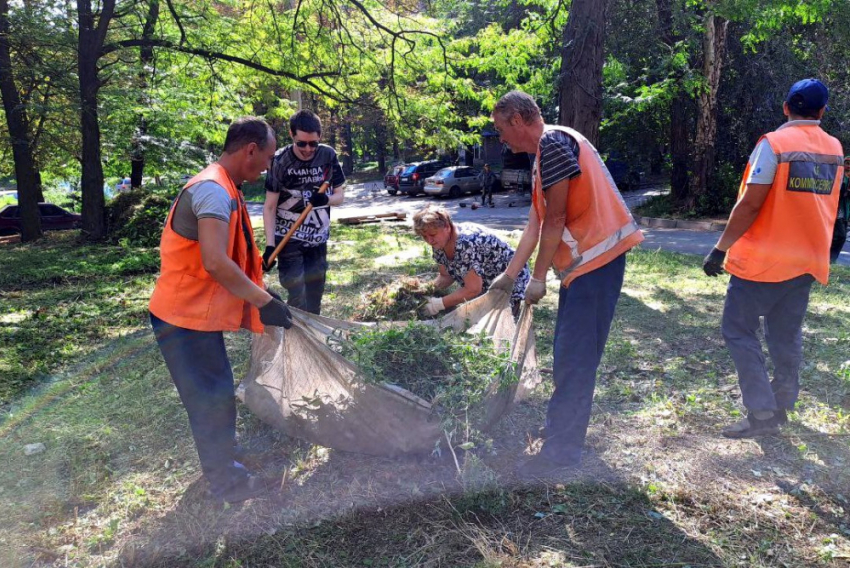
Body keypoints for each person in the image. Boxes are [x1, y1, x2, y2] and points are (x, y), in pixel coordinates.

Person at [487, 90, 644, 476]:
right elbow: (536, 223)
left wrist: (537, 279)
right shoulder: (547, 152)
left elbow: (556, 220)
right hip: (586, 268)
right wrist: (510, 277)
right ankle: (561, 429)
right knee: (568, 352)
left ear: (518, 120)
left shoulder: (553, 145)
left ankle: (562, 452)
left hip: (597, 263)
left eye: (501, 129)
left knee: (575, 358)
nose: (501, 139)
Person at [149, 117, 293, 503]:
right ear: (249, 150)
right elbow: (214, 262)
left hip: (192, 316)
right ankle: (224, 480)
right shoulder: (213, 190)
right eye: (267, 156)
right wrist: (265, 302)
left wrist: (261, 291)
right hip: (180, 319)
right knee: (209, 399)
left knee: (217, 392)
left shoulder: (224, 184)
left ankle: (223, 458)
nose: (268, 166)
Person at [702, 78, 843, 438]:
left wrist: (720, 250)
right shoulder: (834, 149)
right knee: (785, 335)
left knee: (738, 329)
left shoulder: (774, 144)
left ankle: (762, 415)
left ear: (785, 107)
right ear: (822, 111)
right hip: (806, 262)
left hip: (762, 264)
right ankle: (782, 404)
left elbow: (751, 203)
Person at [262, 110, 346, 315]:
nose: (308, 149)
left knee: (315, 295)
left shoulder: (328, 155)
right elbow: (270, 206)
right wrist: (270, 245)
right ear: (292, 136)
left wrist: (326, 199)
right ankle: (296, 340)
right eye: (302, 143)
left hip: (318, 238)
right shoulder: (280, 160)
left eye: (313, 143)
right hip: (289, 238)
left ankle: (313, 340)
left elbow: (340, 196)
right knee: (297, 294)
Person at [413, 205, 530, 316]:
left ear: (447, 227)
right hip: (485, 282)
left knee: (491, 324)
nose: (429, 240)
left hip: (510, 280)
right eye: (425, 237)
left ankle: (512, 304)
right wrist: (424, 291)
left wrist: (437, 305)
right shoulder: (440, 242)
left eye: (432, 235)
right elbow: (446, 276)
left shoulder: (465, 243)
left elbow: (473, 289)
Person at [830, 156, 850, 263]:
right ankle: (831, 259)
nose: (848, 167)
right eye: (847, 163)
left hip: (845, 211)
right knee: (841, 236)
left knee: (839, 236)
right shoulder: (840, 175)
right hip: (836, 209)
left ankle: (832, 260)